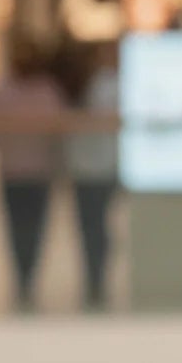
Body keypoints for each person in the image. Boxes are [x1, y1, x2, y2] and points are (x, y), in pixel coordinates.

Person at [0, 33, 67, 311]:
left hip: (38, 172)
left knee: (34, 229)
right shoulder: (6, 89)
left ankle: (28, 277)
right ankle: (22, 277)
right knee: (17, 228)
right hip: (12, 171)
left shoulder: (46, 90)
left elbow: (58, 129)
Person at [59, 39, 120, 310]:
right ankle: (94, 276)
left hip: (100, 165)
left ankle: (97, 277)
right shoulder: (82, 85)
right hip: (88, 166)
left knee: (95, 225)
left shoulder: (109, 84)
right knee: (90, 225)